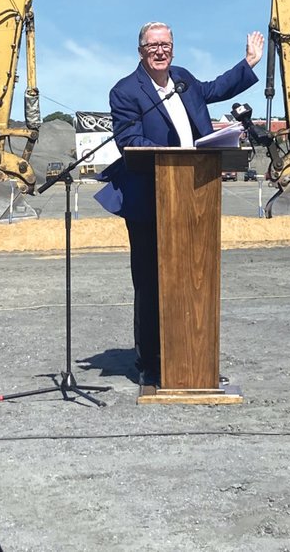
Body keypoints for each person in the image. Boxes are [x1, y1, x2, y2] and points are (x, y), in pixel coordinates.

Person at [95, 22, 264, 386]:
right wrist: (174, 154)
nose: (160, 51)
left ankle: (194, 357)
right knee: (151, 282)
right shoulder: (125, 91)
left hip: (195, 194)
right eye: (153, 46)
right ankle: (151, 363)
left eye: (166, 45)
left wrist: (248, 63)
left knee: (194, 278)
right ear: (140, 50)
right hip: (149, 197)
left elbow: (214, 89)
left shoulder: (183, 80)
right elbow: (129, 139)